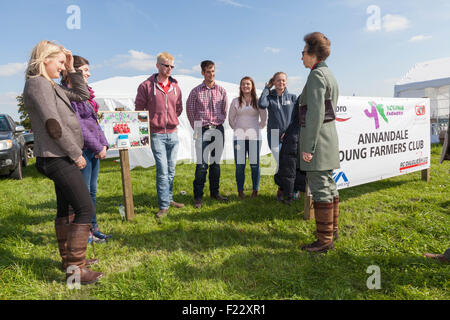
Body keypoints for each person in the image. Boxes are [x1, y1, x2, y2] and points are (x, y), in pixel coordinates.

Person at [23, 40, 103, 284]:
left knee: (67, 209)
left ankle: (69, 261)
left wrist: (70, 68)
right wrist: (75, 153)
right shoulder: (38, 84)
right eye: (58, 62)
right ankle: (75, 270)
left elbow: (81, 94)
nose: (60, 67)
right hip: (56, 156)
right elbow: (53, 124)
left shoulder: (50, 85)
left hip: (58, 155)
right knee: (85, 208)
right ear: (44, 59)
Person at [298, 32, 340, 253]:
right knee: (329, 186)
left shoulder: (316, 76)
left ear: (313, 54)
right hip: (328, 139)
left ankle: (324, 241)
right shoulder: (328, 74)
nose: (301, 57)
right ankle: (331, 232)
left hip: (318, 141)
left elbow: (315, 115)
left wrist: (308, 148)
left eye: (303, 53)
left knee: (321, 187)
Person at [61, 55, 111, 241]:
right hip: (81, 149)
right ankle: (84, 232)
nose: (89, 73)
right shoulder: (68, 94)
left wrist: (104, 143)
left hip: (93, 149)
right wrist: (97, 146)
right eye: (85, 70)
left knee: (91, 192)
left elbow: (93, 122)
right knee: (81, 195)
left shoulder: (86, 93)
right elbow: (79, 125)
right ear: (71, 72)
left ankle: (93, 227)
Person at [135, 52, 184, 218]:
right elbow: (139, 110)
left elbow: (179, 108)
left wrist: (171, 119)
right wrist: (153, 123)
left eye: (171, 66)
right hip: (156, 134)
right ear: (157, 66)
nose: (169, 69)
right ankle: (163, 206)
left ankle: (169, 199)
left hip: (173, 133)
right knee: (162, 171)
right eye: (166, 65)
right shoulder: (146, 86)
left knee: (171, 170)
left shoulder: (175, 87)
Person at [186, 60, 228, 208]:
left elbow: (224, 109)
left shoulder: (221, 90)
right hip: (202, 129)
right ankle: (198, 196)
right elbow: (190, 111)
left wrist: (219, 122)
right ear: (203, 73)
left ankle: (215, 192)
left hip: (218, 129)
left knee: (215, 164)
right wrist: (197, 128)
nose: (211, 74)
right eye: (208, 71)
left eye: (213, 71)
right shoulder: (196, 91)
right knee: (202, 164)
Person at [258, 72, 297, 200]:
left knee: (289, 163)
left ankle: (285, 189)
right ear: (273, 82)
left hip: (289, 135)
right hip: (274, 134)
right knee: (281, 161)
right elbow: (262, 104)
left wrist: (290, 131)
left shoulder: (292, 97)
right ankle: (283, 189)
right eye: (278, 80)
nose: (281, 83)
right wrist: (266, 88)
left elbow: (296, 117)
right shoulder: (269, 97)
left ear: (286, 82)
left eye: (283, 80)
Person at [228, 76, 267, 199]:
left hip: (254, 137)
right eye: (243, 84)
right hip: (239, 137)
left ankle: (255, 190)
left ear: (252, 86)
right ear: (240, 86)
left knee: (254, 164)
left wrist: (256, 128)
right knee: (240, 165)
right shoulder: (235, 101)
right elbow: (231, 119)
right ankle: (240, 191)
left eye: (248, 84)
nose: (246, 86)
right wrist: (239, 129)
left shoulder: (258, 100)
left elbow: (264, 118)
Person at [274, 106, 306, 205]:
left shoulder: (298, 99)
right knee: (289, 166)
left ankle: (292, 192)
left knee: (293, 167)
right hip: (294, 134)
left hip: (298, 133)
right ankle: (288, 193)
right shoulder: (302, 100)